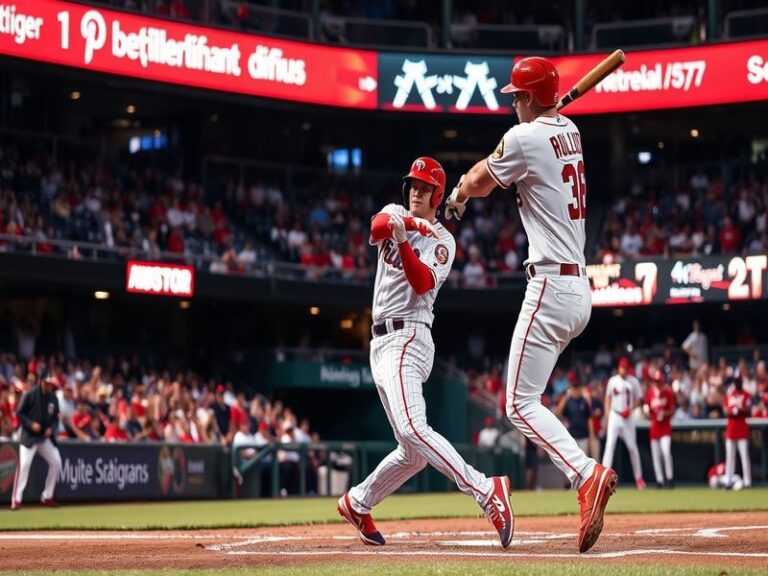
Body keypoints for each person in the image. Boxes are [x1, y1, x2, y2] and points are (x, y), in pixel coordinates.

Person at [445, 57, 617, 553]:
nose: (512, 102)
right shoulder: (571, 130)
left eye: (516, 95)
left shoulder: (525, 138)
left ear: (530, 97)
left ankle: (585, 474)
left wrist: (457, 193)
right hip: (577, 287)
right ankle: (584, 473)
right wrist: (538, 115)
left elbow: (480, 179)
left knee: (517, 404)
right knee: (525, 400)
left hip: (549, 285)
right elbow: (534, 140)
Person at [337, 157, 513, 548]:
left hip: (409, 339)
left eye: (423, 186)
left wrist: (406, 237)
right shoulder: (395, 212)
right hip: (379, 342)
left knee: (415, 429)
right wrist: (408, 224)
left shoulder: (444, 242)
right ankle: (358, 502)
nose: (415, 191)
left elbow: (420, 283)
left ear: (438, 194)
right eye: (412, 184)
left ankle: (486, 491)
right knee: (412, 452)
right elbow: (375, 227)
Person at [11, 373, 62, 510]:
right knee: (24, 465)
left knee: (56, 462)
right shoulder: (30, 394)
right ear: (41, 381)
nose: (49, 385)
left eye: (51, 383)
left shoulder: (53, 397)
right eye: (47, 383)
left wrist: (51, 428)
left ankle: (47, 496)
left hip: (44, 438)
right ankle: (16, 499)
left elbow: (56, 419)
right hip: (29, 436)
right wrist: (30, 424)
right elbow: (20, 413)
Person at [603, 358, 646, 490]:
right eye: (622, 367)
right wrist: (607, 415)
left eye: (626, 368)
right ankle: (604, 478)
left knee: (632, 447)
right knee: (610, 445)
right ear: (618, 368)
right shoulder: (613, 380)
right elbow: (607, 398)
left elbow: (641, 399)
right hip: (615, 415)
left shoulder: (633, 381)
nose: (624, 370)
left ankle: (639, 479)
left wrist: (631, 408)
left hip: (628, 417)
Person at [645, 369, 675, 488]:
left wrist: (665, 413)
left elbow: (672, 410)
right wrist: (647, 412)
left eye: (659, 381)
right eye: (655, 381)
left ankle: (670, 478)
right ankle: (659, 480)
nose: (657, 383)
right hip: (654, 427)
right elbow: (647, 408)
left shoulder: (668, 392)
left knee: (666, 452)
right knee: (656, 455)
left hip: (665, 427)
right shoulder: (651, 393)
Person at [723, 376, 752, 489]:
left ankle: (747, 481)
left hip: (742, 427)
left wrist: (740, 410)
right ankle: (728, 481)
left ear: (741, 382)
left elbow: (748, 411)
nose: (737, 383)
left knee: (744, 455)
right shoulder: (730, 395)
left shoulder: (746, 394)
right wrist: (732, 411)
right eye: (735, 382)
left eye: (738, 381)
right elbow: (725, 410)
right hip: (731, 428)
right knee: (730, 456)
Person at [556, 372, 594, 459]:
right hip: (571, 437)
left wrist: (591, 436)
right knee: (571, 461)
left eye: (577, 387)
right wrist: (566, 396)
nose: (576, 389)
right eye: (574, 387)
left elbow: (589, 418)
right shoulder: (568, 401)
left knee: (583, 461)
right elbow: (558, 413)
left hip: (583, 436)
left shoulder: (584, 401)